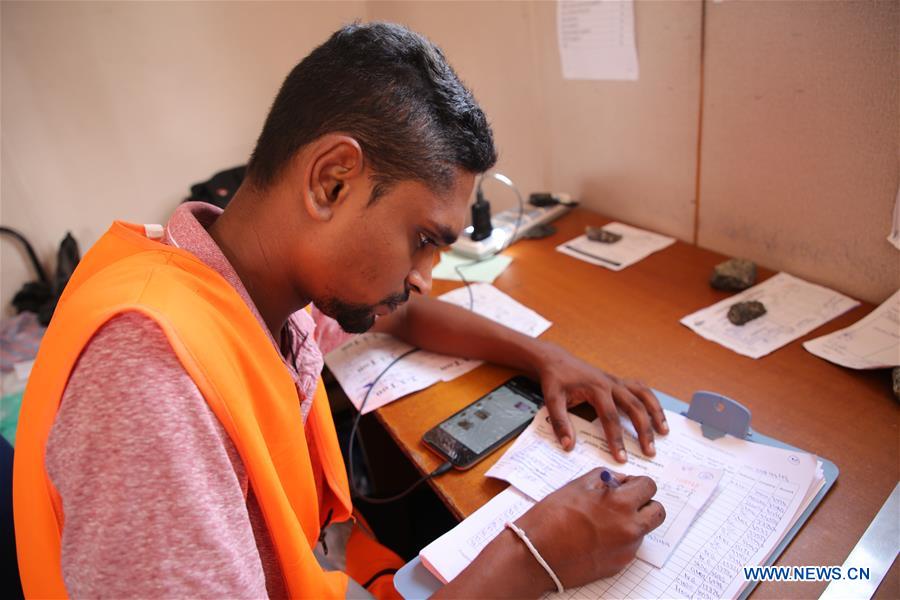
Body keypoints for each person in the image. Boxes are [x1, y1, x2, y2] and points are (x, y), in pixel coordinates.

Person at [14, 22, 667, 599]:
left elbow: (402, 314)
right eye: (422, 241)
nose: (423, 278)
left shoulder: (259, 283)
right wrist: (533, 561)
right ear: (331, 181)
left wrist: (548, 358)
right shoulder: (150, 375)